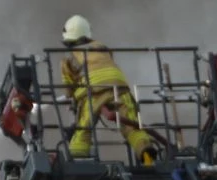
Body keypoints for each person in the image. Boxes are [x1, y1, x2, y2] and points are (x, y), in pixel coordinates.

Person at [58, 15, 157, 163]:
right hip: (119, 88)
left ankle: (77, 162)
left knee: (83, 130)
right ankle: (148, 157)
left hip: (93, 93)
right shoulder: (101, 47)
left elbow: (69, 89)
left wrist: (72, 97)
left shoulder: (68, 58)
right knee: (132, 125)